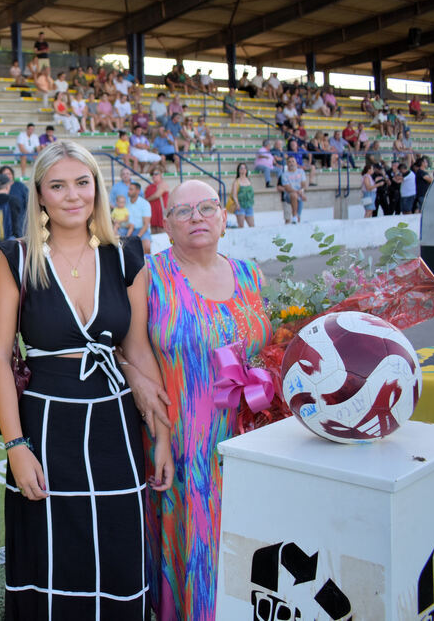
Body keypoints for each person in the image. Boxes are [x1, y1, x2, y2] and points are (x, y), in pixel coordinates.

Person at [0, 140, 172, 619]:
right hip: (46, 427)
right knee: (49, 555)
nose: (73, 195)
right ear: (41, 195)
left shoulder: (126, 257)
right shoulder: (15, 259)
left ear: (97, 188)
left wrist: (162, 436)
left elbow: (136, 350)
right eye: (58, 185)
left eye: (82, 183)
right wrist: (16, 446)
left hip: (115, 424)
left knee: (117, 553)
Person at [145, 180, 272, 621]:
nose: (196, 217)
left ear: (223, 216)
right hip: (180, 440)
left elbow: (268, 352)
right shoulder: (148, 276)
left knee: (247, 540)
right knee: (195, 546)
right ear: (165, 223)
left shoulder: (250, 273)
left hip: (247, 439)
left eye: (206, 208)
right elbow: (128, 355)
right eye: (183, 211)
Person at [126, 180, 153, 253]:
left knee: (146, 247)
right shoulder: (125, 203)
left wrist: (137, 237)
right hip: (127, 229)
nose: (128, 191)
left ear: (138, 191)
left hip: (142, 230)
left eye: (131, 189)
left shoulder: (145, 204)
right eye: (129, 189)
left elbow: (146, 224)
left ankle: (147, 264)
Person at [145, 167, 170, 233]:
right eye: (152, 174)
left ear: (161, 175)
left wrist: (146, 200)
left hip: (160, 212)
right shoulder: (149, 186)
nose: (154, 176)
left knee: (162, 230)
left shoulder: (163, 184)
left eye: (156, 174)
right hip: (152, 211)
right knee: (153, 230)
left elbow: (157, 195)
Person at [231, 162, 255, 227]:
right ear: (238, 170)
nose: (243, 170)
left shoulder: (248, 180)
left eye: (245, 168)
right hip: (240, 206)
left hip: (249, 205)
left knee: (252, 225)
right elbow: (234, 195)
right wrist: (237, 204)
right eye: (241, 168)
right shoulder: (236, 182)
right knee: (241, 226)